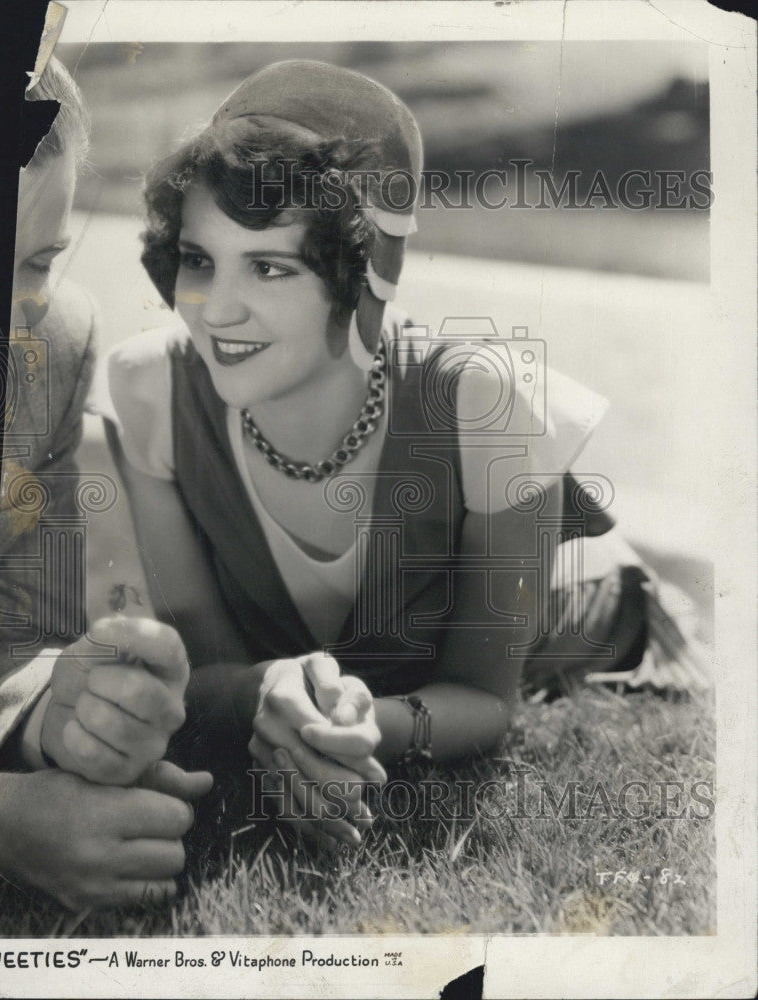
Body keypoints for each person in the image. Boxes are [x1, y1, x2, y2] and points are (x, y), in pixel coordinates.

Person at [91, 60, 707, 848]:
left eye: (271, 266)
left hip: (590, 615)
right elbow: (206, 668)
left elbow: (483, 700)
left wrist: (351, 732)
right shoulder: (153, 389)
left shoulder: (484, 398)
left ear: (360, 276)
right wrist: (269, 688)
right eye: (199, 259)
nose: (216, 308)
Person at [0, 58, 211, 911]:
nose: (8, 321)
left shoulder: (57, 350)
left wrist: (61, 706)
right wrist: (3, 824)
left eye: (39, 262)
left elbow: (15, 627)